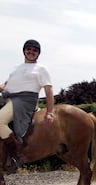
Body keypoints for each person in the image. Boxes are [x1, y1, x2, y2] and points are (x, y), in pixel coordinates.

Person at [0, 39, 55, 173]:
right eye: (28, 49)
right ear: (24, 51)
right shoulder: (17, 68)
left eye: (34, 50)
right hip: (8, 97)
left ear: (38, 54)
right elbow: (7, 85)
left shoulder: (41, 69)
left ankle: (17, 153)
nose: (31, 52)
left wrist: (50, 111)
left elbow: (48, 90)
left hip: (24, 101)